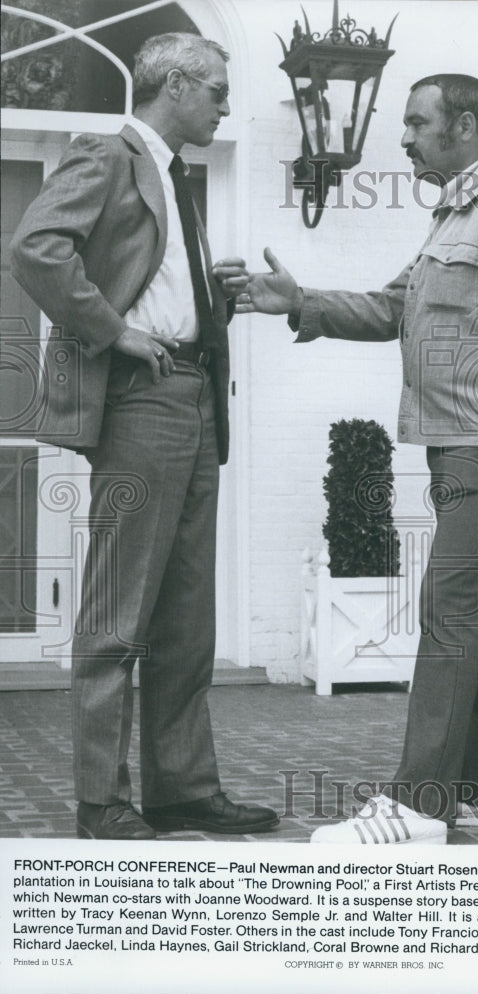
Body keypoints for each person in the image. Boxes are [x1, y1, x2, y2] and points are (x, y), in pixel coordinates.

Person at [237, 74, 478, 845]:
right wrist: (298, 300)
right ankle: (475, 792)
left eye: (414, 122)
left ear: (462, 127)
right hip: (464, 441)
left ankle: (417, 806)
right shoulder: (453, 215)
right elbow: (391, 308)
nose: (402, 137)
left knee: (447, 609)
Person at [10, 32, 278, 840]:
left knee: (187, 615)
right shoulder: (110, 153)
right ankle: (102, 801)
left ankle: (182, 789)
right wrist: (110, 329)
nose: (227, 105)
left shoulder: (173, 175)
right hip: (142, 401)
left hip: (194, 398)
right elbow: (34, 248)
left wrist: (212, 296)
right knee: (118, 614)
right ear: (179, 85)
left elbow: (149, 276)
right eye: (220, 90)